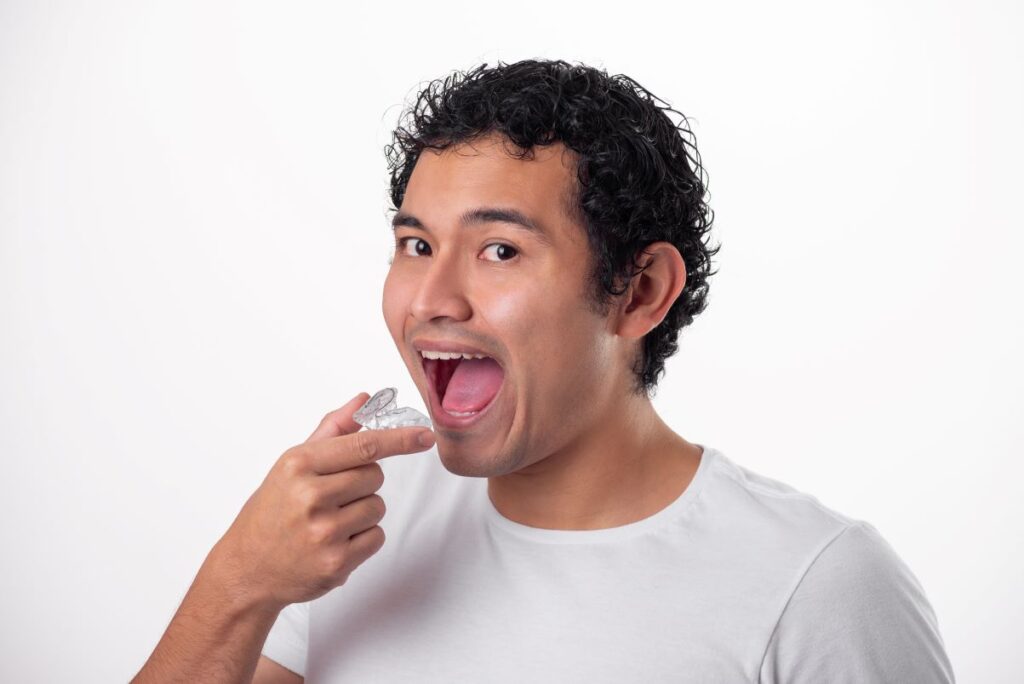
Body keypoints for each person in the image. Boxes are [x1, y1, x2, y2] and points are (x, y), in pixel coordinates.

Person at [132, 59, 954, 683]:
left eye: (500, 250)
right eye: (416, 245)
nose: (430, 300)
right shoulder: (348, 531)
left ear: (639, 291)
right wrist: (241, 582)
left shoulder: (818, 584)